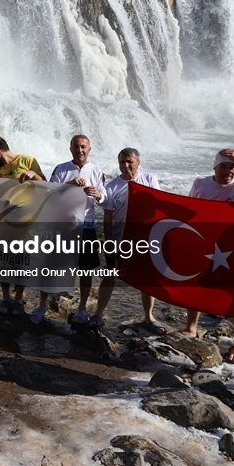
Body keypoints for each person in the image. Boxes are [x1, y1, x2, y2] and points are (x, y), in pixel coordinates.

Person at [183, 149, 234, 363]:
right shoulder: (200, 183)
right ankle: (191, 328)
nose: (228, 172)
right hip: (207, 245)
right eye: (224, 167)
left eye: (232, 167)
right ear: (215, 167)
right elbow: (192, 210)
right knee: (197, 286)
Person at [97, 147, 163, 332]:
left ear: (138, 163)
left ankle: (149, 316)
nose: (125, 166)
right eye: (121, 162)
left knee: (147, 278)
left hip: (144, 237)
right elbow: (108, 217)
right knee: (109, 275)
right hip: (120, 237)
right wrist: (108, 242)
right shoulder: (111, 187)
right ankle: (98, 313)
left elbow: (157, 205)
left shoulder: (149, 179)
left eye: (129, 162)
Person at [0, 135, 46, 315]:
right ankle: (5, 297)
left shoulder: (28, 160)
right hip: (3, 222)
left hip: (26, 222)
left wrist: (34, 175)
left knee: (22, 263)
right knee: (3, 261)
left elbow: (46, 186)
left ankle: (18, 299)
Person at [50, 135, 106, 328]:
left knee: (85, 270)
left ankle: (82, 308)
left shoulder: (97, 171)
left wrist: (98, 194)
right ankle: (43, 305)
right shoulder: (61, 169)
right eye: (76, 146)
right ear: (70, 148)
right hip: (64, 225)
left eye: (83, 147)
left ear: (89, 149)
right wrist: (70, 185)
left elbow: (105, 199)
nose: (80, 150)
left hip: (87, 226)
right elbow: (50, 195)